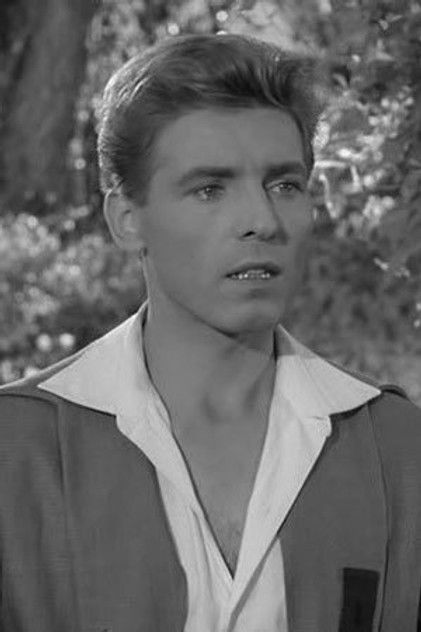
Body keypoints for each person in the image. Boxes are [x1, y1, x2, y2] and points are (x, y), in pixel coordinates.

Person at [1, 33, 420, 632]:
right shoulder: (19, 448)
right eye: (209, 189)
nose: (261, 221)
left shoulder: (396, 450)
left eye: (284, 185)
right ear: (126, 219)